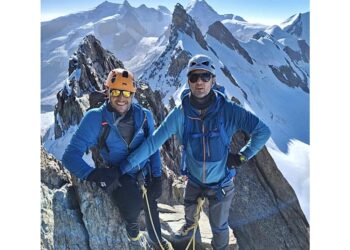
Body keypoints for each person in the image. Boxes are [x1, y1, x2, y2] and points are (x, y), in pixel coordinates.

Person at [114, 55, 271, 250]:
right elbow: (153, 143)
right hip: (195, 181)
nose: (200, 82)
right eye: (194, 77)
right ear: (188, 81)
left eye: (205, 76)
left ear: (213, 80)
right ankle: (190, 238)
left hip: (221, 183)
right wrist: (123, 167)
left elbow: (263, 131)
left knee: (220, 228)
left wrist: (242, 156)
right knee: (190, 220)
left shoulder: (228, 110)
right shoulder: (180, 113)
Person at [61, 68, 173, 250]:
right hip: (118, 173)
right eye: (116, 92)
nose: (121, 98)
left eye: (127, 92)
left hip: (144, 171)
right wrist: (95, 174)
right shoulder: (95, 118)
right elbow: (70, 156)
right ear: (108, 92)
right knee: (132, 204)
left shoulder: (145, 116)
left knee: (151, 206)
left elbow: (153, 148)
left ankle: (158, 242)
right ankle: (132, 224)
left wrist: (157, 177)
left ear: (133, 94)